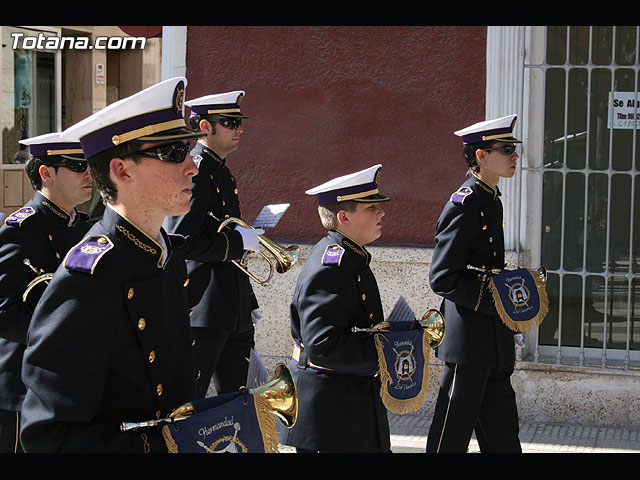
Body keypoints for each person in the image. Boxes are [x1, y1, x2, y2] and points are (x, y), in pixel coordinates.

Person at [19, 77, 203, 452]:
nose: (192, 166)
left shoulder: (165, 254)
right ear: (122, 171)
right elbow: (48, 437)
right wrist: (161, 444)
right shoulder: (89, 277)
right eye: (172, 152)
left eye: (189, 148)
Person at [426, 114, 522, 453]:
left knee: (504, 434)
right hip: (469, 340)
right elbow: (443, 277)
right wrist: (496, 302)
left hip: (493, 339)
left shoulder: (489, 197)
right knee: (450, 437)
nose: (514, 155)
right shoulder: (465, 203)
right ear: (481, 156)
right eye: (506, 149)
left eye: (514, 148)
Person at [280, 164, 392, 453]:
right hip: (330, 420)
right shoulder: (333, 265)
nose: (381, 213)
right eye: (371, 208)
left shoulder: (350, 256)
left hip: (347, 410)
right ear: (343, 217)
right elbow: (324, 345)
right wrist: (387, 351)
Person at [164, 91, 262, 399]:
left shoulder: (219, 168)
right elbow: (183, 239)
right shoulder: (197, 169)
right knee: (190, 399)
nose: (240, 130)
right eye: (231, 123)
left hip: (231, 308)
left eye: (239, 123)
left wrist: (248, 300)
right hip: (204, 308)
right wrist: (237, 242)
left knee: (239, 401)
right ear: (205, 126)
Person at [0, 133, 92, 453]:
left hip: (68, 382)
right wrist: (59, 336)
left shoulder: (84, 228)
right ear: (46, 173)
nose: (88, 174)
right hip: (21, 386)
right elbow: (3, 313)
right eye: (78, 166)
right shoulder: (20, 230)